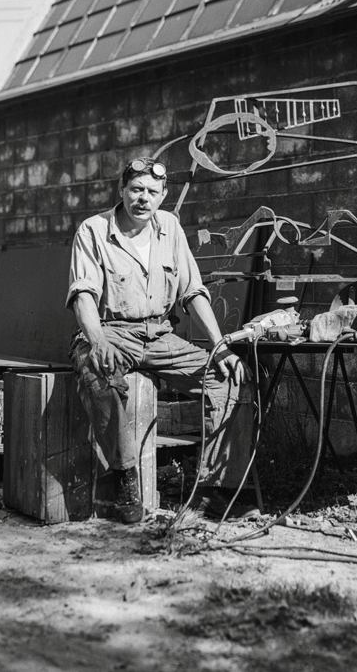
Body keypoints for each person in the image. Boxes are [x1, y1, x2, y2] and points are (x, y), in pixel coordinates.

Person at [66, 157, 254, 524]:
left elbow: (193, 292)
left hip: (160, 335)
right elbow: (83, 295)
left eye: (153, 192)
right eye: (136, 190)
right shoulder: (93, 229)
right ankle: (124, 482)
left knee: (231, 377)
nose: (144, 199)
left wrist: (220, 347)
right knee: (96, 372)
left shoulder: (169, 226)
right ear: (121, 191)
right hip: (111, 332)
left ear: (163, 195)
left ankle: (218, 492)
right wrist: (98, 340)